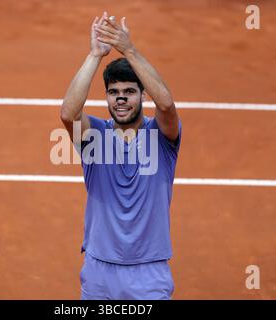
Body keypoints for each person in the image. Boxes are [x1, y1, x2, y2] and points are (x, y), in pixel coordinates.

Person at [60, 11, 182, 300]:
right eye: (114, 92)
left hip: (149, 274)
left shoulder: (163, 138)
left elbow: (165, 104)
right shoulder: (94, 138)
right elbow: (68, 113)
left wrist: (128, 48)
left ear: (143, 95)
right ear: (107, 97)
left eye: (130, 91)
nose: (122, 98)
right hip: (99, 271)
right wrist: (94, 55)